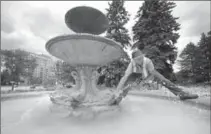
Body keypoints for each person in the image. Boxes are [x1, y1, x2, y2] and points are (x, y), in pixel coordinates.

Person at [109, 49, 199, 105]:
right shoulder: (131, 64)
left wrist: (145, 81)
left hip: (149, 73)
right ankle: (116, 100)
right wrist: (117, 91)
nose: (139, 61)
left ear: (143, 57)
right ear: (134, 60)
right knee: (126, 85)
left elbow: (153, 73)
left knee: (163, 79)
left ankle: (182, 94)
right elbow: (124, 77)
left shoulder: (148, 61)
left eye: (141, 58)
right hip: (135, 74)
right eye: (137, 59)